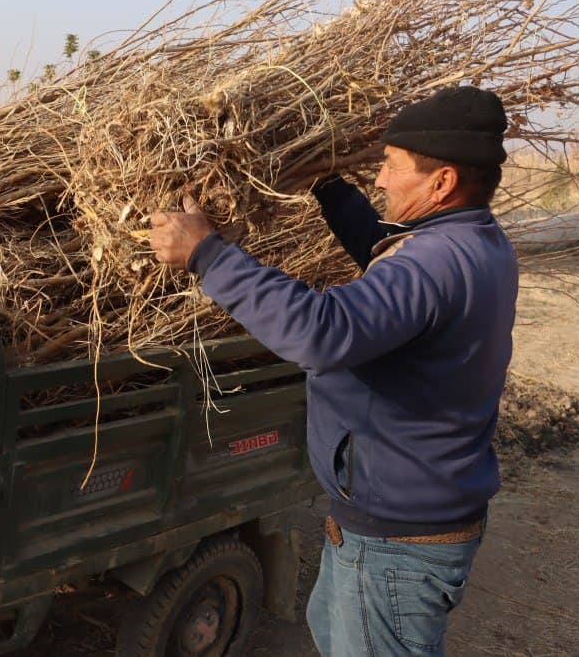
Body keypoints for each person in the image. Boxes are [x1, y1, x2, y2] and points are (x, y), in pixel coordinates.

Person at [149, 85, 515, 657]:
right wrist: (327, 185)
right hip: (408, 519)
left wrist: (208, 255)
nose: (381, 179)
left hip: (396, 541)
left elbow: (322, 332)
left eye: (393, 166)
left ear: (442, 181)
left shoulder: (434, 262)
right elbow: (389, 259)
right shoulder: (474, 242)